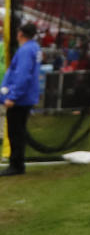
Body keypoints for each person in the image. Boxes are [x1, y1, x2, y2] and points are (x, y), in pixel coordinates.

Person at [1, 21, 41, 177]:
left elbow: (22, 75)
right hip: (27, 96)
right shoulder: (34, 47)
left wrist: (13, 96)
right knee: (19, 130)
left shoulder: (25, 50)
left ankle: (16, 164)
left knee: (15, 131)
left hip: (20, 98)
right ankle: (18, 163)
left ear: (20, 33)